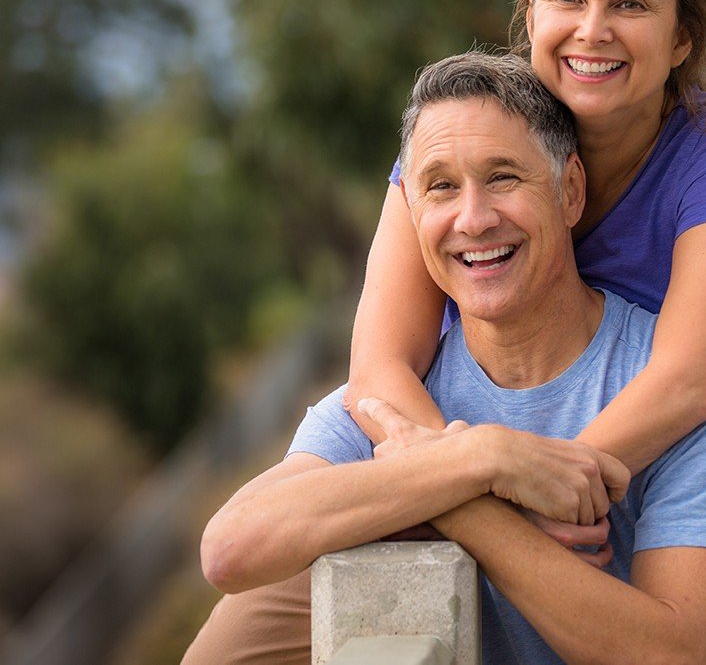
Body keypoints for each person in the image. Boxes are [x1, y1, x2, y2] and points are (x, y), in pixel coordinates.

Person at [189, 52, 706, 664]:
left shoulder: (660, 398)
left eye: (504, 177)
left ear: (570, 192)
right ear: (411, 214)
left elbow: (674, 653)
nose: (474, 218)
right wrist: (481, 456)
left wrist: (459, 504)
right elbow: (230, 550)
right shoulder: (400, 397)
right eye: (441, 187)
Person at [346, 0, 706, 482]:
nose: (593, 30)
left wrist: (539, 489)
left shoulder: (695, 159)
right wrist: (479, 482)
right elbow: (379, 370)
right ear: (531, 17)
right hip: (462, 441)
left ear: (681, 41)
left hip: (650, 476)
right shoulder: (459, 135)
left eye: (630, 3)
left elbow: (686, 382)